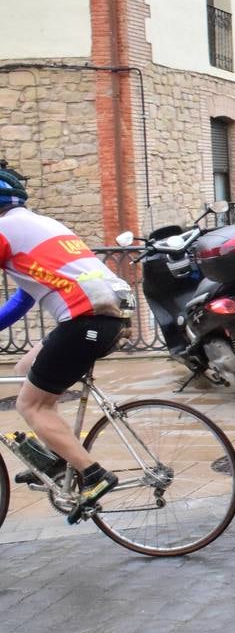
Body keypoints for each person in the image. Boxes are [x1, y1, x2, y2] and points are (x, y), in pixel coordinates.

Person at [0, 165, 134, 518]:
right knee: (25, 367)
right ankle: (59, 461)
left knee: (31, 405)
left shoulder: (3, 231)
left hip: (84, 321)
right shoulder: (40, 223)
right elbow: (23, 300)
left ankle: (93, 475)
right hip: (106, 317)